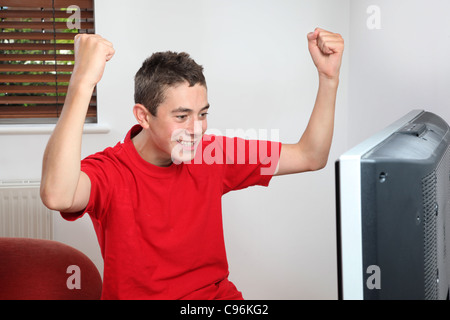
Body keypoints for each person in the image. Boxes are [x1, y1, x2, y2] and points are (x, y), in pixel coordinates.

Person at [40, 27, 344, 300]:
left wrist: (328, 78)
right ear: (143, 116)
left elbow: (310, 156)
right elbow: (57, 194)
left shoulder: (212, 153)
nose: (197, 129)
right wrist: (82, 81)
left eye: (203, 114)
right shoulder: (110, 171)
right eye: (182, 116)